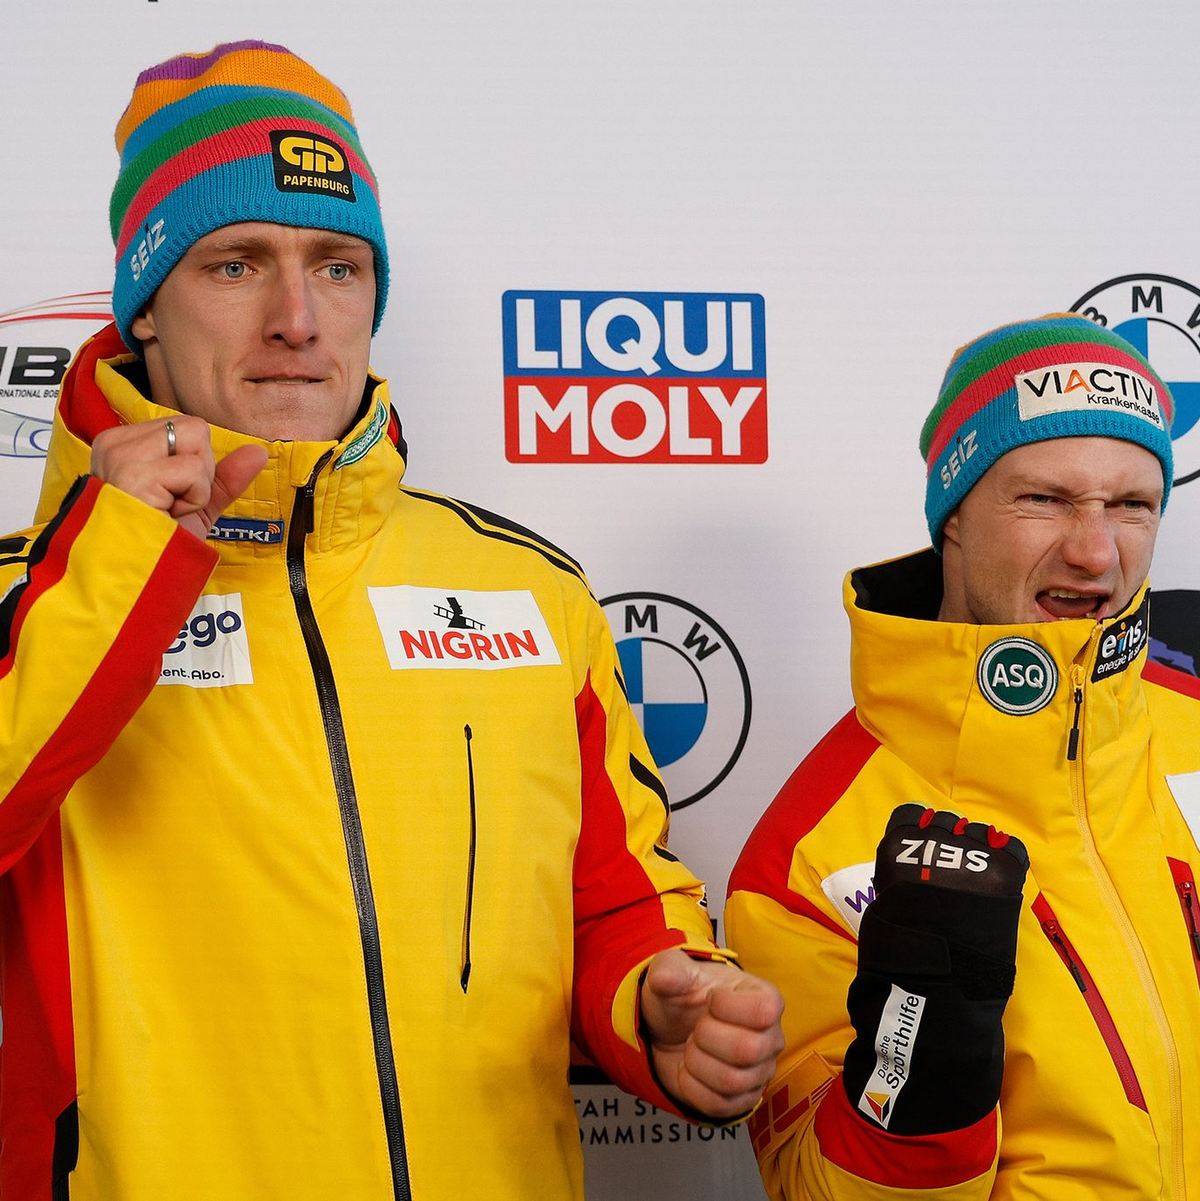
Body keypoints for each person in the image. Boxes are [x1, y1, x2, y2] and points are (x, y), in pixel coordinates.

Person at [0, 41, 784, 1200]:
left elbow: (616, 895)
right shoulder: (39, 595)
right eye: (235, 265)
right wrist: (120, 555)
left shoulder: (530, 588)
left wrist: (655, 1005)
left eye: (338, 265)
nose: (298, 317)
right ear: (145, 312)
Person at [726, 313, 1200, 1199]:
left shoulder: (1193, 720)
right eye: (1044, 499)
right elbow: (812, 1187)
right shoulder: (813, 853)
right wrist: (917, 1076)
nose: (1097, 552)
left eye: (1132, 503)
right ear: (952, 517)